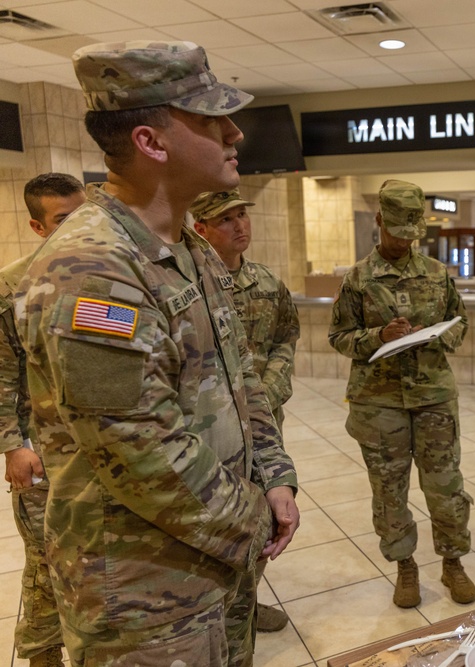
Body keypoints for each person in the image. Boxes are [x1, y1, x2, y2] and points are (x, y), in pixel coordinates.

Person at [16, 41, 299, 666]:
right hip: (143, 594)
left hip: (214, 557)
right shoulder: (93, 266)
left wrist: (273, 477)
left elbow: (239, 377)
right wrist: (251, 522)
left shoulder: (189, 249)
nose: (235, 132)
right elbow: (137, 446)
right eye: (209, 119)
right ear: (152, 141)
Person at [329, 179, 475, 608]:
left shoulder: (436, 273)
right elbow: (339, 336)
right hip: (379, 403)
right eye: (397, 231)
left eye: (412, 233)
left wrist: (441, 335)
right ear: (379, 221)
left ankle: (453, 563)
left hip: (433, 397)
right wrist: (379, 336)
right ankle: (404, 567)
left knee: (445, 487)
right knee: (389, 491)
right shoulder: (357, 279)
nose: (405, 241)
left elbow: (460, 322)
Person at [191, 188, 301, 633]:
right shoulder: (194, 288)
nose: (240, 226)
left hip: (264, 420)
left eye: (242, 216)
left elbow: (285, 339)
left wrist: (271, 386)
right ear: (200, 230)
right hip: (213, 429)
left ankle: (247, 603)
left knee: (264, 513)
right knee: (217, 517)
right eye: (226, 220)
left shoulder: (268, 283)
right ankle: (216, 609)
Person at [1, 173, 85, 667]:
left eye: (84, 214)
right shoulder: (13, 287)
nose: (77, 227)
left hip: (98, 450)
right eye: (62, 219)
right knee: (47, 559)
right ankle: (41, 653)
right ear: (37, 225)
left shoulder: (104, 275)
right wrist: (12, 444)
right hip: (42, 452)